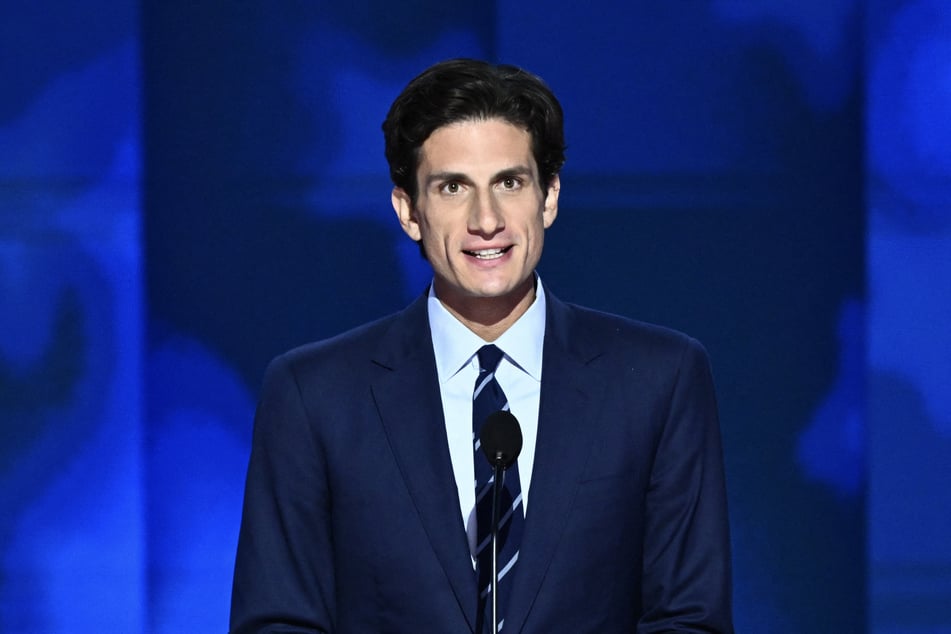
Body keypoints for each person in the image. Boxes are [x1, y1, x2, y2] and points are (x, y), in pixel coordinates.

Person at [230, 58, 733, 633]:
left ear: (549, 197)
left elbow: (689, 619)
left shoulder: (659, 380)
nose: (486, 220)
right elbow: (278, 623)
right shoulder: (313, 395)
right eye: (452, 188)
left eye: (510, 183)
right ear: (409, 211)